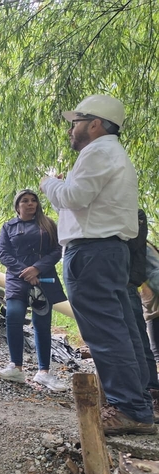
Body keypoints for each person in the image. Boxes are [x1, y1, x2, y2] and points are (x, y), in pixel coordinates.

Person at [40, 94, 154, 434]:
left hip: (92, 253)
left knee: (106, 333)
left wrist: (50, 183)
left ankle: (130, 409)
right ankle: (138, 404)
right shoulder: (111, 154)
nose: (71, 129)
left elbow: (74, 197)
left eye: (75, 122)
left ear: (94, 123)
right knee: (123, 330)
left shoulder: (98, 151)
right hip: (107, 252)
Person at [0, 189, 67, 392]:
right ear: (17, 206)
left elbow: (57, 250)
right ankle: (15, 367)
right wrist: (26, 272)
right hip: (17, 279)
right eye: (25, 201)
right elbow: (3, 254)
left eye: (33, 200)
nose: (30, 204)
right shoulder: (8, 227)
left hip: (43, 278)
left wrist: (37, 268)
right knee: (13, 315)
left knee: (42, 323)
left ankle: (44, 372)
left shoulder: (48, 224)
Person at [126, 210, 159, 419]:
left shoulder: (141, 247)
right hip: (151, 309)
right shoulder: (138, 245)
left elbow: (156, 275)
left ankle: (153, 394)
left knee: (150, 350)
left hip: (156, 310)